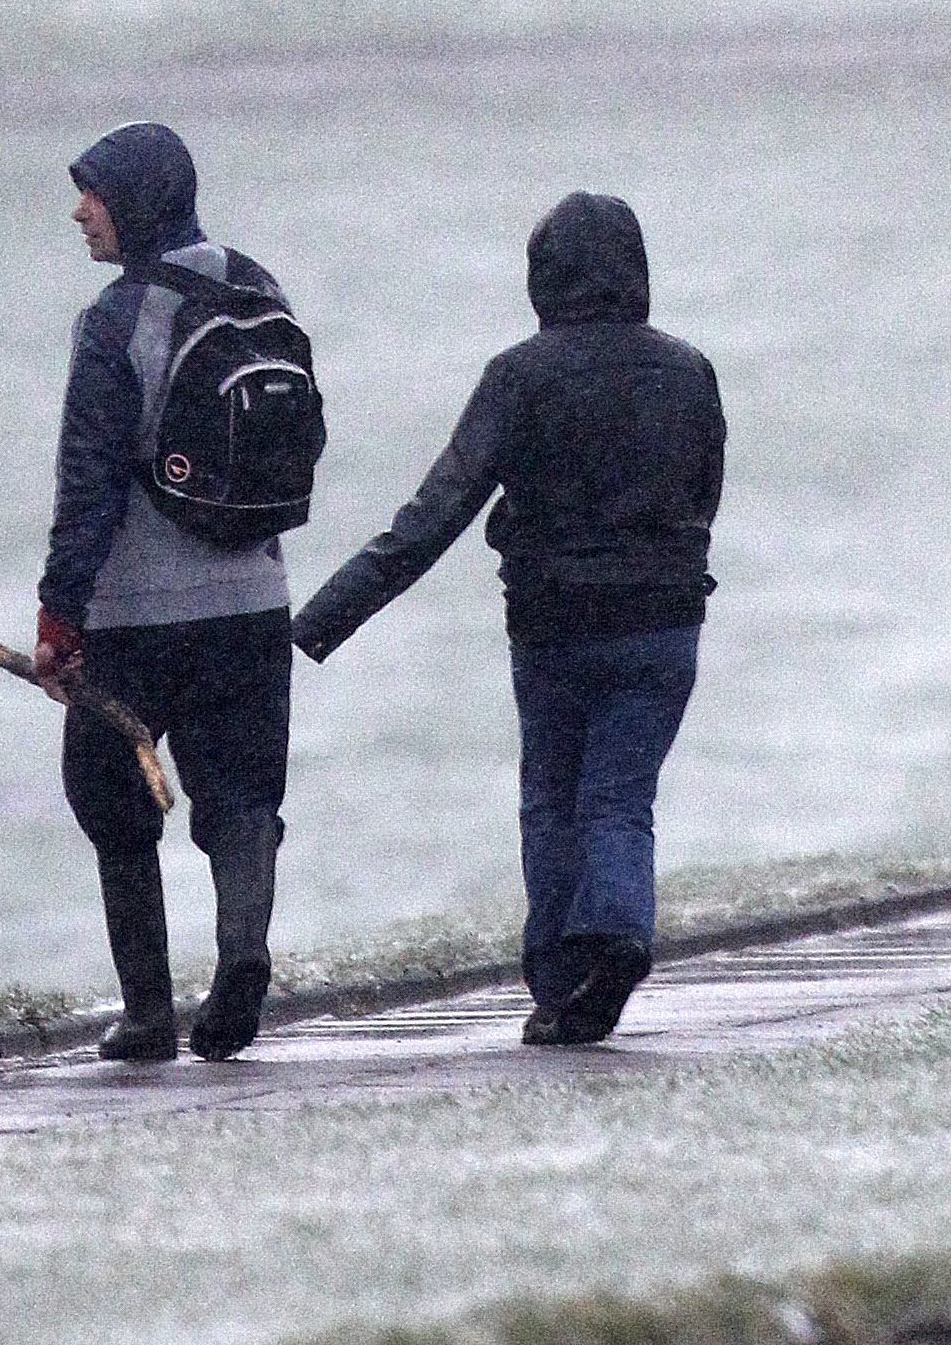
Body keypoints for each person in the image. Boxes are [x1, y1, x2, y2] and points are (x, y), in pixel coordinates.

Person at [292, 190, 722, 1046]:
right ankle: (619, 932)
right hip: (665, 624)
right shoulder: (690, 368)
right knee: (620, 797)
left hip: (555, 625)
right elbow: (704, 491)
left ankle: (564, 983)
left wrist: (314, 626)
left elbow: (434, 514)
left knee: (553, 800)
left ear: (544, 276)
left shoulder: (520, 376)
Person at [38, 120, 296, 1063]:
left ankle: (149, 1012)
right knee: (241, 796)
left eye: (93, 194)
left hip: (137, 618)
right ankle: (241, 954)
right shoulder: (260, 287)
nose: (80, 211)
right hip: (255, 601)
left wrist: (59, 616)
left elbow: (89, 479)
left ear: (135, 200)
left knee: (110, 799)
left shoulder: (115, 321)